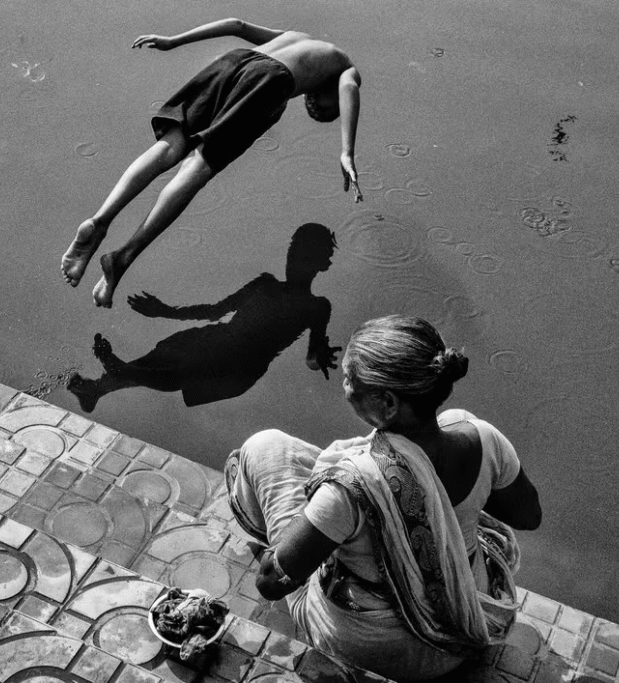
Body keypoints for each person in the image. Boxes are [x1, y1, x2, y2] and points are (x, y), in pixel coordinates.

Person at [226, 315, 542, 682]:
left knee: (263, 447)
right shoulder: (483, 439)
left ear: (388, 403)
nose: (345, 387)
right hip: (463, 625)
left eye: (351, 380)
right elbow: (528, 516)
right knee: (456, 420)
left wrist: (316, 522)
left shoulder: (352, 486)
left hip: (376, 650)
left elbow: (270, 583)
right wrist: (443, 508)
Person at [60, 18, 363, 308]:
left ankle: (99, 221)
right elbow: (349, 88)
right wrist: (347, 151)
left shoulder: (298, 37)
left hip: (234, 62)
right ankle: (122, 258)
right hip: (269, 81)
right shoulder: (343, 66)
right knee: (197, 167)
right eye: (328, 108)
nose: (323, 103)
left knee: (168, 147)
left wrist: (174, 40)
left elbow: (236, 25)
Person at [67, 222, 341, 410]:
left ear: (322, 265)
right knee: (156, 360)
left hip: (241, 364)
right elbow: (215, 311)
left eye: (304, 256)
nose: (294, 259)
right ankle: (96, 390)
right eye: (293, 251)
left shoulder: (316, 307)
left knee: (179, 374)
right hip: (217, 338)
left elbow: (311, 359)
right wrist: (164, 311)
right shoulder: (264, 284)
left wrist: (319, 357)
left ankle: (119, 369)